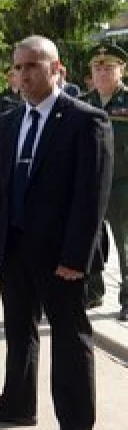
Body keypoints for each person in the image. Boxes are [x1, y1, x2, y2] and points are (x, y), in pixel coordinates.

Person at [0, 35, 112, 430]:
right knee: (18, 329)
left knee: (69, 337)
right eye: (18, 67)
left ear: (57, 70)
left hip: (60, 254)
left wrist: (76, 257)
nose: (24, 74)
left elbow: (91, 197)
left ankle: (75, 423)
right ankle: (16, 404)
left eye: (33, 65)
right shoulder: (11, 120)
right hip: (14, 246)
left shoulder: (85, 121)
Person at [80, 43, 128, 319]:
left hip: (123, 182)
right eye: (98, 68)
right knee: (90, 241)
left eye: (109, 68)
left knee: (125, 244)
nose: (102, 73)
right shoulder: (84, 104)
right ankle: (93, 291)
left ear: (122, 71)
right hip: (92, 184)